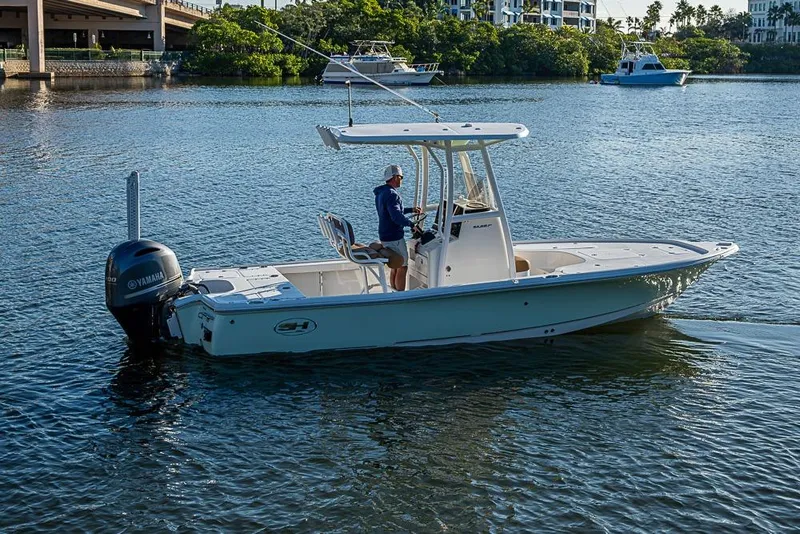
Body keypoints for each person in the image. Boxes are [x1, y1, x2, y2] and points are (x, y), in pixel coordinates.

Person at [373, 164, 421, 291]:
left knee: (395, 265)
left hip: (384, 235)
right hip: (394, 237)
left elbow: (393, 211)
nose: (401, 179)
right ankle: (400, 295)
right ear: (395, 177)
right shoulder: (392, 195)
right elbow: (396, 217)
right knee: (402, 266)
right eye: (401, 177)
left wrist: (411, 210)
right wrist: (412, 225)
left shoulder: (381, 193)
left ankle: (394, 293)